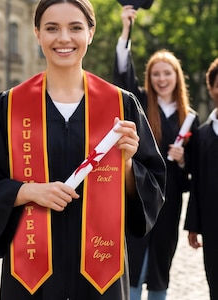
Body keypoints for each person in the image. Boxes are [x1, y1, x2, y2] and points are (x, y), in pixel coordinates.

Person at [0, 0, 165, 299]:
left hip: (101, 277)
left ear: (91, 33)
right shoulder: (9, 107)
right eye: (52, 28)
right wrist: (29, 191)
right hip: (31, 277)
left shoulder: (122, 106)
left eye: (75, 28)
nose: (64, 38)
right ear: (37, 33)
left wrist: (126, 165)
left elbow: (154, 189)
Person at [113, 5, 198, 300]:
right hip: (138, 193)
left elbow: (194, 173)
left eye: (168, 73)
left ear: (177, 77)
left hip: (170, 200)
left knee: (161, 265)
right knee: (133, 262)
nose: (162, 79)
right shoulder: (140, 103)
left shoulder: (190, 117)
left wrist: (184, 160)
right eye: (156, 74)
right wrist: (126, 29)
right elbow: (123, 73)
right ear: (149, 78)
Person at [184, 58, 218, 300]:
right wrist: (194, 225)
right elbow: (196, 181)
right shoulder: (202, 135)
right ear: (211, 88)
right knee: (215, 282)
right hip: (212, 223)